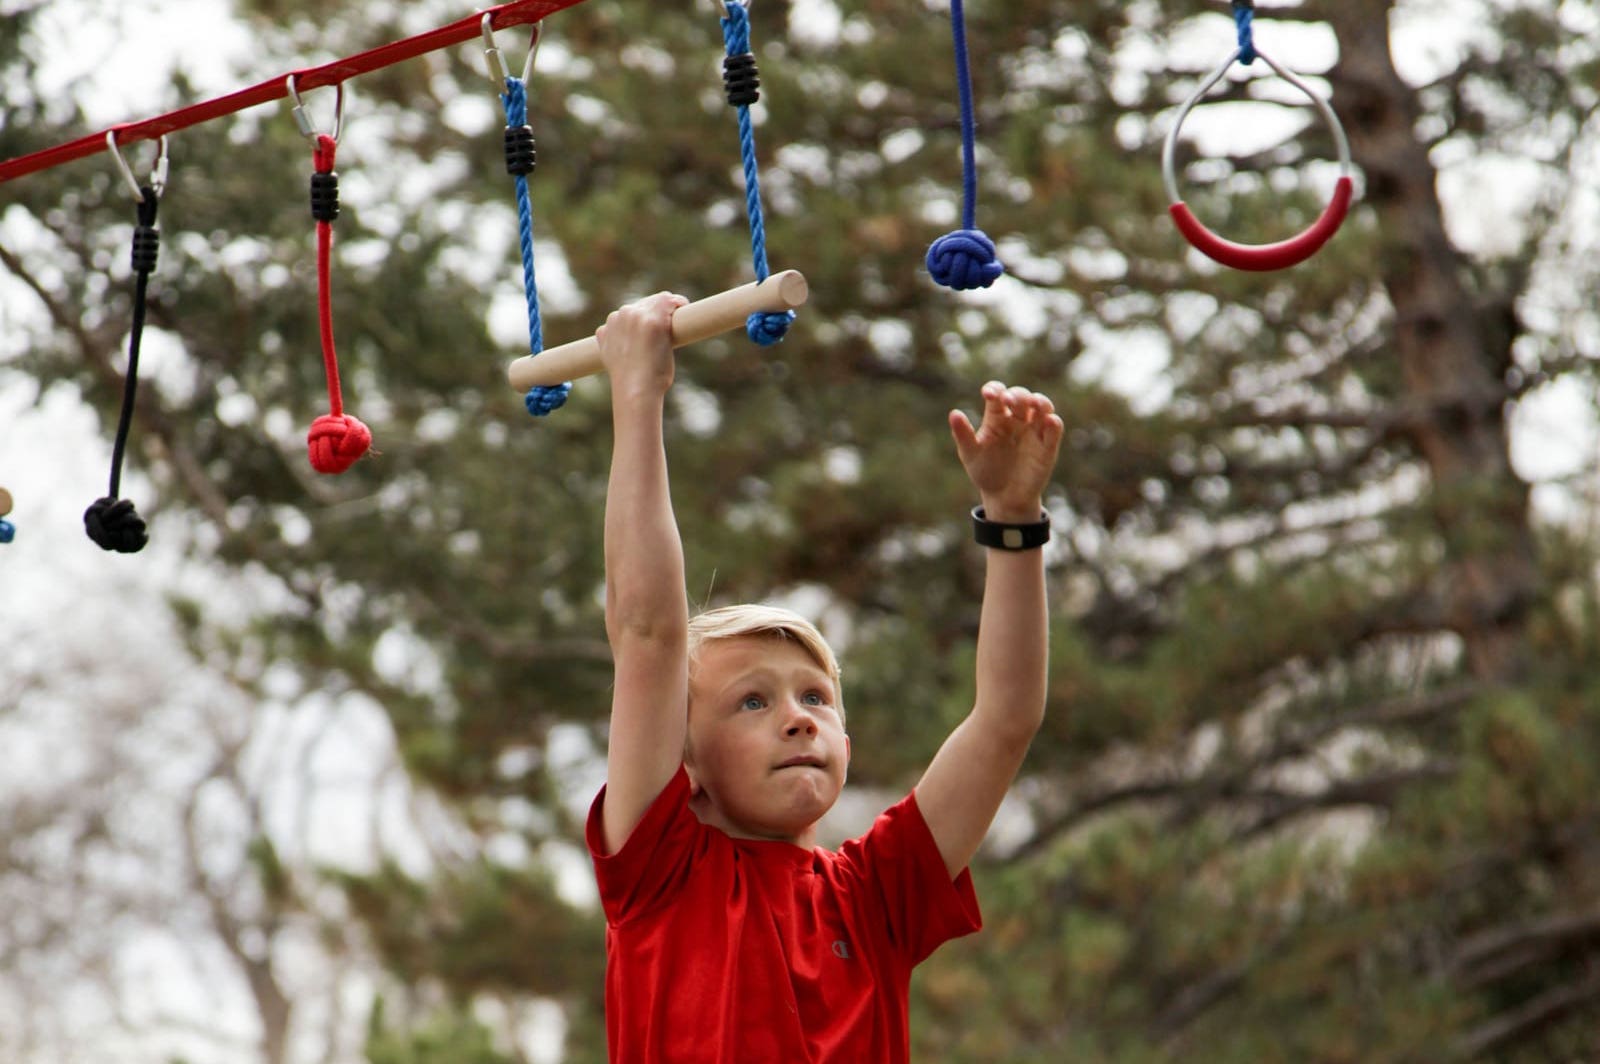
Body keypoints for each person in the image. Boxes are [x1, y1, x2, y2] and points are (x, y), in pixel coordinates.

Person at [585, 291, 1064, 1063]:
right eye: (752, 700)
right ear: (686, 766)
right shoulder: (660, 870)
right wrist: (637, 396)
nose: (799, 717)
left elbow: (1006, 719)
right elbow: (646, 634)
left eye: (815, 697)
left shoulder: (876, 895)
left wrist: (1013, 520)